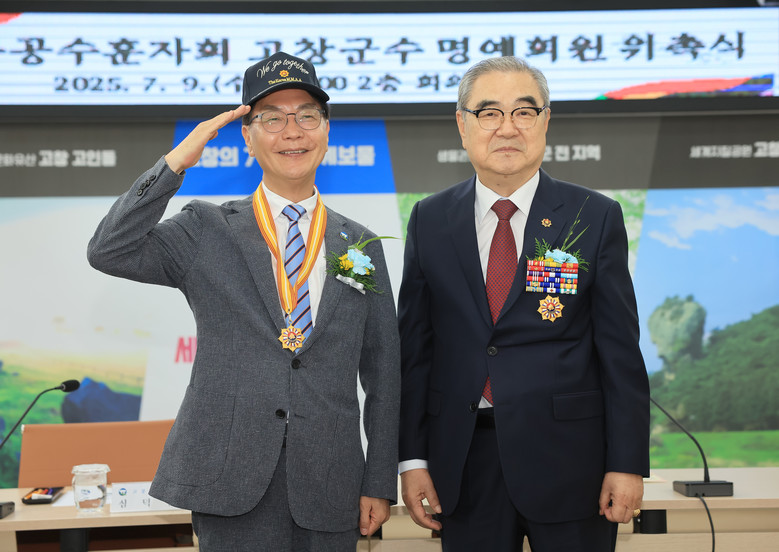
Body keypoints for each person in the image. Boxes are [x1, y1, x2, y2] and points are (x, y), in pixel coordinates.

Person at [88, 51, 400, 551]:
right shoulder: (206, 229)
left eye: (307, 116)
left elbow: (384, 373)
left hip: (331, 483)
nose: (292, 132)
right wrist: (175, 163)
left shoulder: (359, 244)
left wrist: (380, 481)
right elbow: (109, 250)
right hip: (229, 481)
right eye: (272, 119)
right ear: (248, 138)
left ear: (326, 131)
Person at [397, 56, 650, 551]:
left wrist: (627, 463)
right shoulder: (429, 219)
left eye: (524, 112)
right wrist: (412, 459)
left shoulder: (594, 215)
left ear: (545, 121)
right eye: (489, 112)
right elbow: (415, 352)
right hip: (462, 462)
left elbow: (620, 351)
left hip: (572, 463)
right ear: (462, 125)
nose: (507, 127)